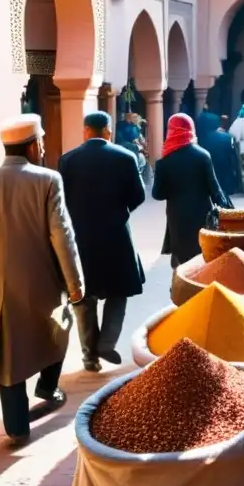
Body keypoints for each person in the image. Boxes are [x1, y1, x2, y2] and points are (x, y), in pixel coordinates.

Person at [0, 114, 84, 446]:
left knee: (7, 354)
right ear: (31, 145)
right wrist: (75, 282)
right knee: (59, 329)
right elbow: (62, 236)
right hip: (44, 282)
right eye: (40, 141)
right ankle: (46, 384)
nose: (42, 147)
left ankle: (16, 427)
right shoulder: (48, 180)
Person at [59, 112, 146, 373]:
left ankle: (90, 356)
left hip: (80, 238)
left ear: (85, 131)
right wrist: (119, 210)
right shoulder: (125, 157)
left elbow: (59, 200)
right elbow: (138, 196)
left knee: (83, 298)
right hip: (116, 236)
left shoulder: (67, 160)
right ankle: (107, 341)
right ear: (108, 131)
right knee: (118, 292)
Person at [152, 114, 231, 267]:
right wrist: (227, 212)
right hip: (202, 214)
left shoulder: (164, 161)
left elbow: (157, 194)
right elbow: (215, 190)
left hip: (177, 217)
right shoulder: (202, 156)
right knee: (201, 255)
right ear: (190, 129)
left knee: (181, 258)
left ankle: (181, 287)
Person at [203, 117, 241, 199]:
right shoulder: (228, 137)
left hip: (211, 163)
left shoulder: (203, 138)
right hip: (225, 164)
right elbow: (234, 156)